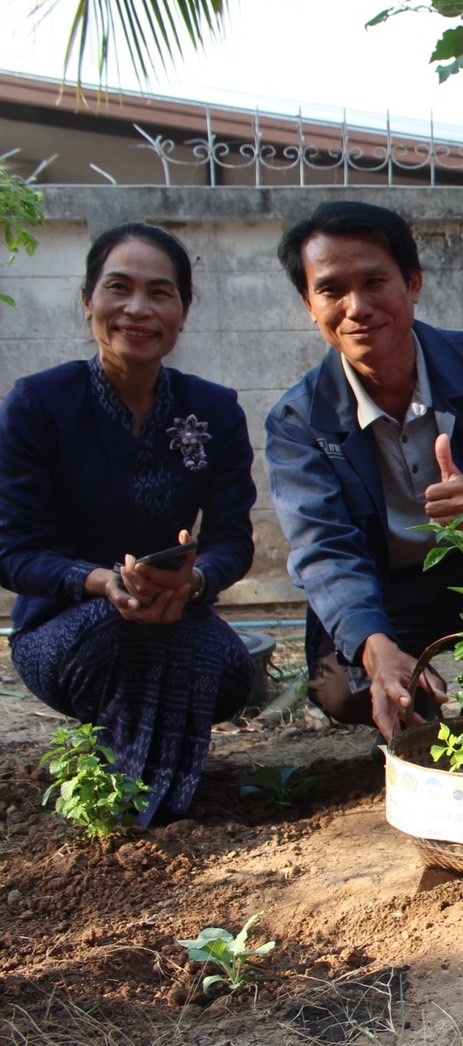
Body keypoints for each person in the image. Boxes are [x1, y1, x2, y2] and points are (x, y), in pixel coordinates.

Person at [266, 201, 463, 742]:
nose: (357, 307)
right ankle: (415, 703)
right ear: (307, 304)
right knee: (344, 690)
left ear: (413, 283)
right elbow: (325, 549)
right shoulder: (300, 420)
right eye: (332, 290)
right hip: (383, 585)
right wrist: (375, 648)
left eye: (374, 281)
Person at [0, 223, 256, 824]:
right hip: (62, 630)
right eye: (119, 288)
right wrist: (102, 582)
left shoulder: (214, 410)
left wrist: (192, 581)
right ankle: (147, 813)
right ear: (89, 300)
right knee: (131, 634)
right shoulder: (39, 405)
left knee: (228, 668)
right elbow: (13, 550)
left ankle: (139, 792)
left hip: (181, 610)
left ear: (183, 312)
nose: (138, 309)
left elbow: (231, 539)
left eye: (160, 292)